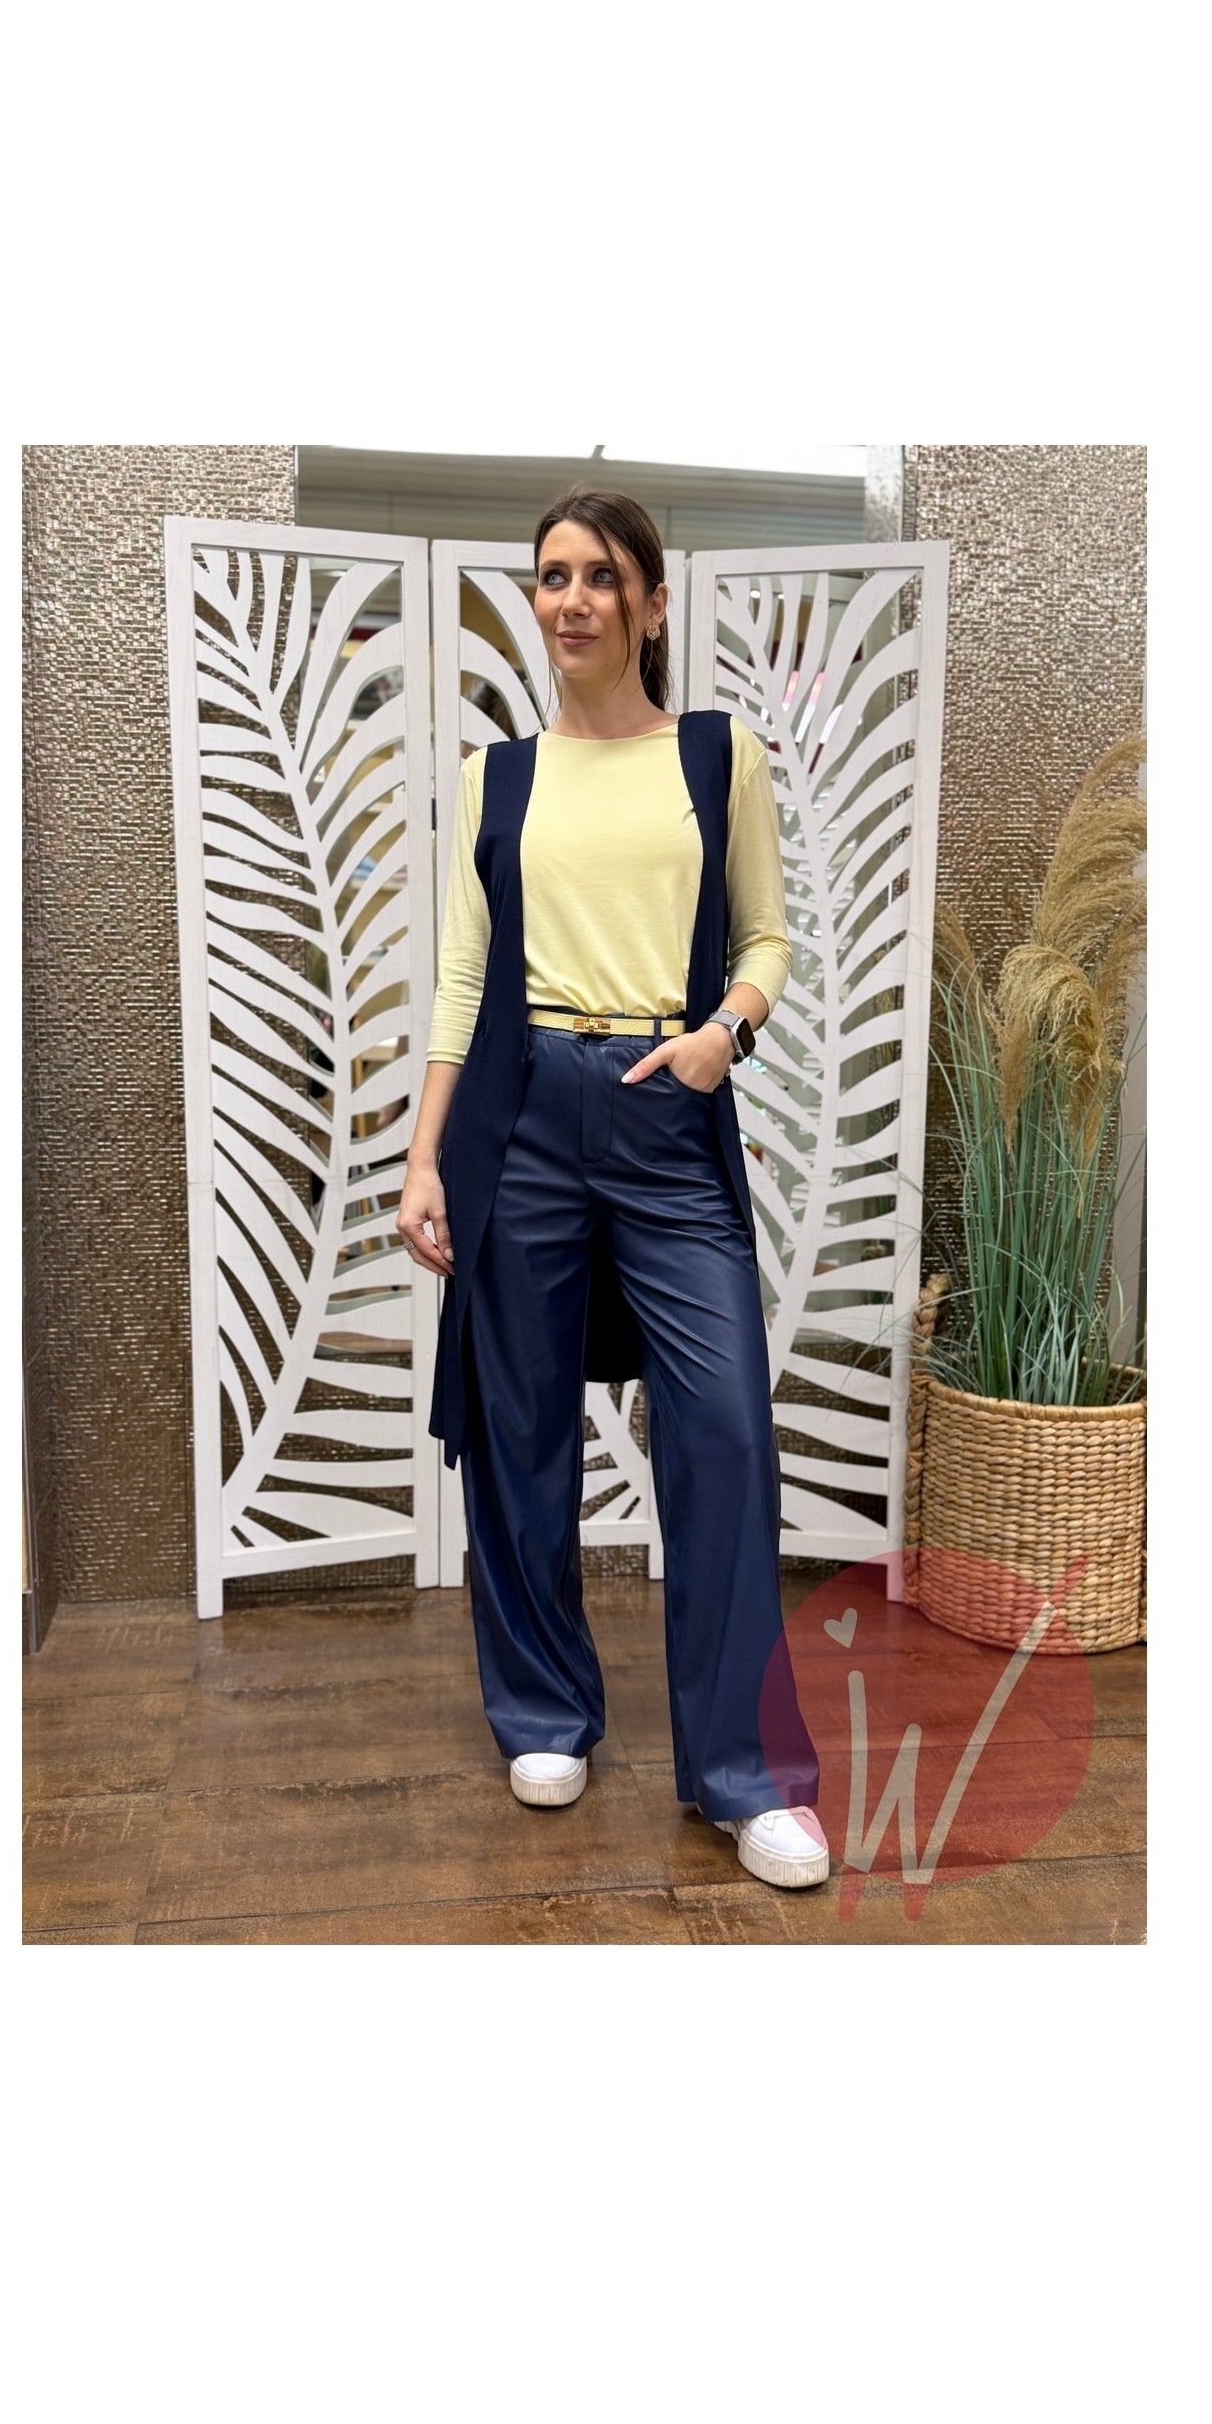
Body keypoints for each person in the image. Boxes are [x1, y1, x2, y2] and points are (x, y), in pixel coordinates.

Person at [398, 490, 831, 1890]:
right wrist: (423, 1154)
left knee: (725, 1431)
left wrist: (725, 1037)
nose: (571, 599)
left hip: (666, 1103)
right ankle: (544, 1712)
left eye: (600, 577)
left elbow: (766, 936)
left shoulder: (717, 754)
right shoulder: (498, 776)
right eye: (551, 577)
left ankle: (747, 1776)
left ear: (650, 604)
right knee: (521, 1428)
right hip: (521, 1114)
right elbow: (464, 975)